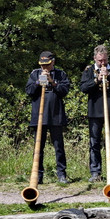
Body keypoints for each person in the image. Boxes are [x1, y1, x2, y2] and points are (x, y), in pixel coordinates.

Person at [80, 45, 110, 182]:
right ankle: (95, 172)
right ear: (95, 58)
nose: (102, 63)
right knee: (94, 143)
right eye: (100, 61)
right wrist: (96, 80)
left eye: (105, 60)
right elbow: (83, 88)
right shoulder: (89, 71)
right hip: (95, 112)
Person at [25, 51, 71, 183]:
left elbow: (64, 91)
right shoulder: (35, 73)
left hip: (56, 115)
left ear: (53, 62)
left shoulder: (61, 74)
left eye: (47, 65)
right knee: (38, 148)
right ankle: (37, 176)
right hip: (38, 117)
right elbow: (28, 91)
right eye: (42, 65)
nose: (44, 68)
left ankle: (61, 174)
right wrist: (38, 83)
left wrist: (53, 82)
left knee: (59, 147)